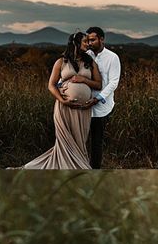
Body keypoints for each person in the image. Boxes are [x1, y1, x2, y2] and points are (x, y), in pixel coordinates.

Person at [21, 31, 101, 170]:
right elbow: (51, 85)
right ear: (75, 43)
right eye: (85, 41)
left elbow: (98, 84)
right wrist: (62, 100)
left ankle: (78, 166)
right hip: (64, 108)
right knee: (66, 142)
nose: (88, 44)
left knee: (79, 141)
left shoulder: (90, 62)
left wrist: (84, 80)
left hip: (83, 110)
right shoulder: (61, 62)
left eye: (89, 41)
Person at [86, 26, 121, 169]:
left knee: (96, 141)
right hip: (83, 105)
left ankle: (94, 170)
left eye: (93, 40)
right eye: (88, 40)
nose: (90, 43)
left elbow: (113, 83)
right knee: (81, 139)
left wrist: (97, 98)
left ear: (101, 39)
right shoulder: (86, 55)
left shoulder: (112, 58)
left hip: (101, 107)